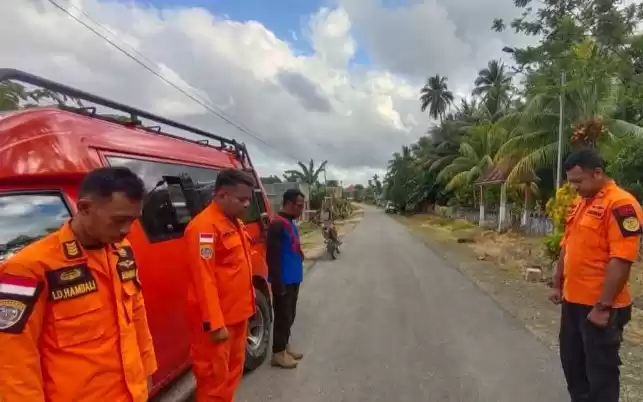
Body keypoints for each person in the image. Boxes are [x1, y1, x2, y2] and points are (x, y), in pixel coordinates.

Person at [0, 167, 157, 402]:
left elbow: (136, 314)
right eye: (119, 220)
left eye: (133, 220)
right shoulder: (28, 267)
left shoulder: (122, 251)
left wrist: (147, 369)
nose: (127, 230)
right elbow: (13, 359)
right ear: (84, 208)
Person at [550, 149, 640, 402]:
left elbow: (622, 259)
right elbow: (567, 247)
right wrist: (557, 283)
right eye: (571, 182)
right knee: (573, 366)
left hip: (601, 308)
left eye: (579, 181)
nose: (575, 187)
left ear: (597, 173)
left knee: (601, 375)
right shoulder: (581, 203)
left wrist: (603, 306)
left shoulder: (621, 205)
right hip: (573, 302)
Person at [184, 169, 256, 401]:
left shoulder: (234, 223)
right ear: (222, 195)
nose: (247, 204)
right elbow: (203, 279)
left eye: (249, 198)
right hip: (218, 325)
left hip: (238, 317)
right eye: (241, 199)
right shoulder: (204, 227)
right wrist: (215, 324)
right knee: (214, 382)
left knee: (232, 375)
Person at [266, 189, 306, 369]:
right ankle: (278, 354)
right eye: (300, 205)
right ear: (289, 204)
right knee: (282, 317)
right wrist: (277, 283)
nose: (302, 209)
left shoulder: (290, 223)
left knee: (290, 316)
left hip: (293, 279)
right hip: (283, 281)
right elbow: (272, 257)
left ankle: (285, 347)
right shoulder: (277, 225)